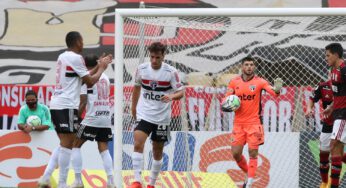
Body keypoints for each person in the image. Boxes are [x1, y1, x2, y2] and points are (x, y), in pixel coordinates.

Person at [38, 31, 112, 188]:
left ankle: (46, 177)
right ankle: (63, 183)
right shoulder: (76, 58)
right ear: (77, 41)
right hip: (67, 105)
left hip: (57, 104)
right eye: (82, 40)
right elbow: (90, 82)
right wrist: (103, 68)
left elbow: (82, 77)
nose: (83, 44)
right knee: (69, 144)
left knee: (65, 143)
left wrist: (99, 66)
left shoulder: (63, 57)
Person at [222, 57, 282, 188]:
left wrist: (277, 89)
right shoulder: (234, 82)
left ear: (254, 67)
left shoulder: (260, 82)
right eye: (246, 64)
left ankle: (249, 183)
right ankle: (249, 174)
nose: (249, 67)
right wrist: (227, 104)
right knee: (236, 154)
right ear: (242, 67)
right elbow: (225, 100)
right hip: (238, 124)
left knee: (252, 153)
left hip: (254, 123)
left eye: (251, 65)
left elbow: (274, 93)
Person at [130, 42, 184, 188]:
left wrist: (172, 97)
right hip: (144, 113)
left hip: (162, 117)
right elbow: (136, 89)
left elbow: (181, 92)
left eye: (157, 58)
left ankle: (152, 183)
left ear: (163, 56)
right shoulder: (141, 69)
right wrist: (133, 108)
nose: (154, 61)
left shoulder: (171, 72)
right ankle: (137, 181)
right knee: (137, 143)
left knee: (157, 150)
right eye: (152, 57)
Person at [70, 54, 114, 188]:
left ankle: (78, 181)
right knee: (104, 149)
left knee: (75, 145)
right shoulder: (106, 78)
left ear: (84, 65)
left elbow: (83, 103)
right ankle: (111, 181)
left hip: (92, 118)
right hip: (105, 117)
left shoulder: (87, 78)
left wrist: (74, 119)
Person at [322, 43, 346, 188]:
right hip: (337, 112)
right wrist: (331, 107)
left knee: (334, 146)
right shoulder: (333, 70)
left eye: (328, 55)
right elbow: (338, 93)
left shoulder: (344, 69)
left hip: (344, 113)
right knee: (336, 148)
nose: (326, 58)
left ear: (336, 55)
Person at [305, 80, 333, 188]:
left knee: (336, 153)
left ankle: (331, 182)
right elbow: (312, 98)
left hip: (342, 123)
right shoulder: (323, 86)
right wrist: (308, 109)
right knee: (323, 154)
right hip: (328, 124)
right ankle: (325, 182)